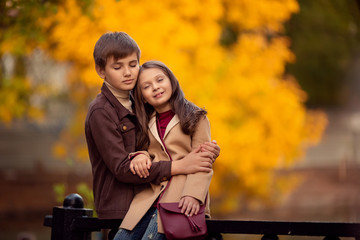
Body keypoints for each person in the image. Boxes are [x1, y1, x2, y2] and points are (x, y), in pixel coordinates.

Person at [85, 32, 220, 221]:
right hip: (121, 208)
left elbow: (155, 147)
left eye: (133, 65)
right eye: (117, 67)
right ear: (101, 71)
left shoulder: (142, 104)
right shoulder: (101, 111)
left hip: (155, 200)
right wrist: (179, 165)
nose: (128, 72)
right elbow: (123, 168)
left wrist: (209, 150)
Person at [115, 61, 214, 240]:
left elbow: (203, 162)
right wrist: (140, 155)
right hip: (148, 198)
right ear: (142, 96)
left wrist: (193, 195)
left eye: (160, 80)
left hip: (180, 199)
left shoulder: (196, 117)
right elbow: (143, 149)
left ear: (171, 82)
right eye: (147, 86)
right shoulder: (144, 122)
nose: (155, 87)